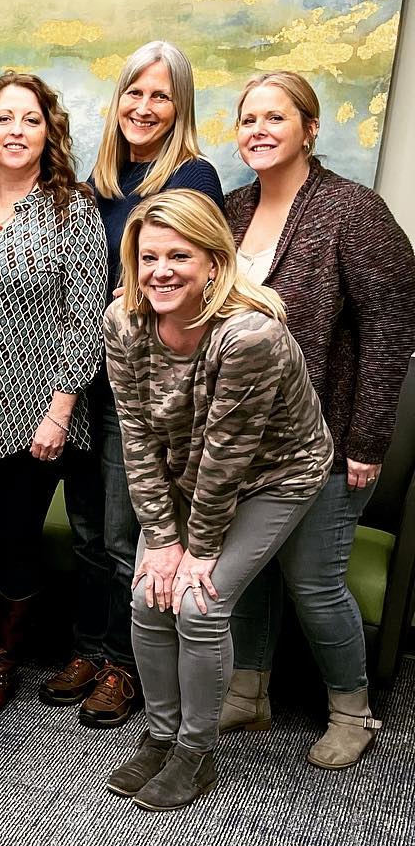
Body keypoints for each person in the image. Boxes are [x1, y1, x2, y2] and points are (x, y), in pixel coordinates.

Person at [105, 190, 333, 811]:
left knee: (200, 603)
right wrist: (162, 541)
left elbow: (228, 460)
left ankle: (196, 752)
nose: (161, 271)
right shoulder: (124, 321)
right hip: (186, 473)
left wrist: (196, 553)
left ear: (213, 261)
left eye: (179, 255)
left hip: (274, 475)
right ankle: (160, 733)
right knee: (149, 593)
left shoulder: (247, 336)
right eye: (148, 257)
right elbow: (138, 437)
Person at [222, 71, 415, 768]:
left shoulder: (352, 211)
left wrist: (366, 440)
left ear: (309, 128)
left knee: (312, 580)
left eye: (277, 117)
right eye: (248, 119)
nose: (260, 130)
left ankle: (352, 712)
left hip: (328, 444)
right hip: (246, 440)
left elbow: (392, 329)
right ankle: (248, 693)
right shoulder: (234, 208)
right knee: (248, 573)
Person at [46, 42, 225, 729]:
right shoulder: (105, 184)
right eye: (134, 93)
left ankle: (126, 665)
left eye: (160, 96)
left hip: (141, 394)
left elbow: (181, 286)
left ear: (180, 107)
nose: (144, 107)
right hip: (86, 381)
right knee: (89, 530)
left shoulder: (191, 178)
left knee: (130, 537)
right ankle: (89, 649)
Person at [0, 72, 106, 717]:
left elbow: (83, 322)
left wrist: (59, 411)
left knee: (14, 540)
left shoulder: (72, 212)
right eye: (4, 118)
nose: (16, 131)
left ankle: (1, 663)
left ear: (48, 132)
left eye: (30, 120)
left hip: (33, 412)